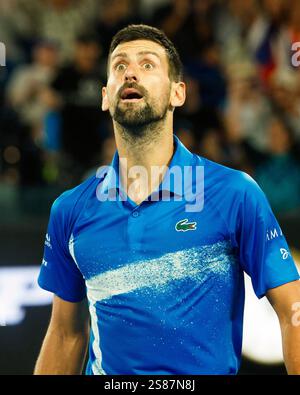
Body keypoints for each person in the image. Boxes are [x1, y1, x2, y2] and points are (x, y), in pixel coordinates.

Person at [34, 24, 300, 375]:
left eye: (147, 65)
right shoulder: (70, 209)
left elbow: (292, 312)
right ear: (105, 95)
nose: (130, 72)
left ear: (178, 93)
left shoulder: (235, 193)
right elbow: (66, 334)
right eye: (119, 66)